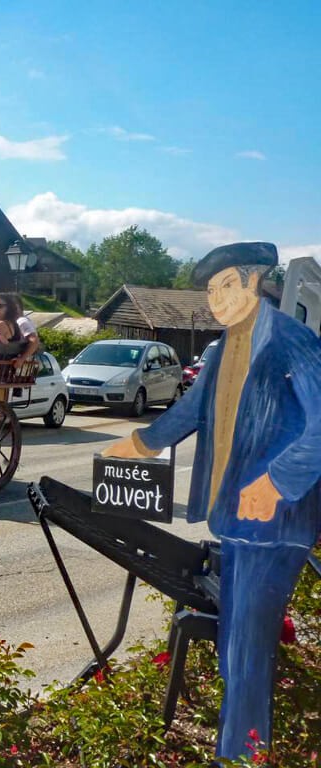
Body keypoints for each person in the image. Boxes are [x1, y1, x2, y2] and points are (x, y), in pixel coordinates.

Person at [101, 242, 321, 761]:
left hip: (277, 521)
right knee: (233, 647)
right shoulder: (222, 350)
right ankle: (244, 748)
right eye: (209, 290)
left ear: (252, 283)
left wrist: (276, 482)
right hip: (235, 520)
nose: (216, 299)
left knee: (245, 650)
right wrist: (137, 446)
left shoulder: (294, 342)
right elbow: (190, 411)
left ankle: (241, 757)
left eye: (225, 286)